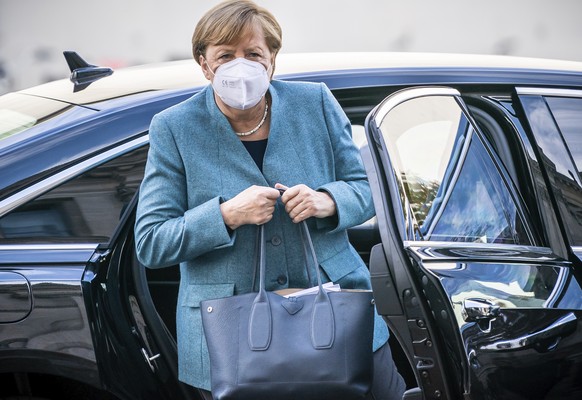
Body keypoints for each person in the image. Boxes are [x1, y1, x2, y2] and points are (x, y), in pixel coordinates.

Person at [134, 1, 406, 399]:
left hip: (338, 318)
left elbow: (368, 189)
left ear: (272, 59)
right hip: (233, 342)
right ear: (204, 63)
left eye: (253, 54)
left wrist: (327, 201)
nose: (239, 65)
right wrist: (226, 215)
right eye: (225, 55)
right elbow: (151, 242)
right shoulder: (175, 127)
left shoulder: (314, 102)